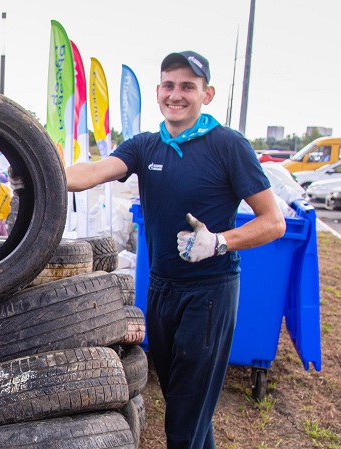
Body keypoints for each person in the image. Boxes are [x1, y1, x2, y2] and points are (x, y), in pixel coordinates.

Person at [65, 51, 285, 449]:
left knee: (183, 421)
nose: (176, 94)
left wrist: (219, 241)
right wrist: (41, 170)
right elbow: (92, 173)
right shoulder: (146, 146)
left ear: (207, 94)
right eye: (169, 85)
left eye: (188, 86)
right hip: (162, 288)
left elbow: (273, 221)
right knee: (185, 403)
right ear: (157, 91)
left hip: (209, 293)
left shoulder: (228, 145)